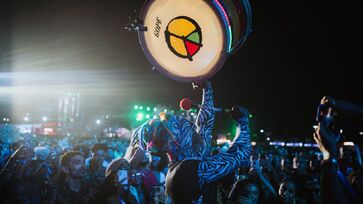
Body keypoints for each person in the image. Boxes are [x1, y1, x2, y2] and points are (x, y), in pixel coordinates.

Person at [127, 81, 252, 203]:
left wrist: (207, 90)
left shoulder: (186, 160)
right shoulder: (187, 170)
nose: (191, 125)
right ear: (174, 141)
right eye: (182, 125)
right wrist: (243, 123)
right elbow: (240, 154)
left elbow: (204, 127)